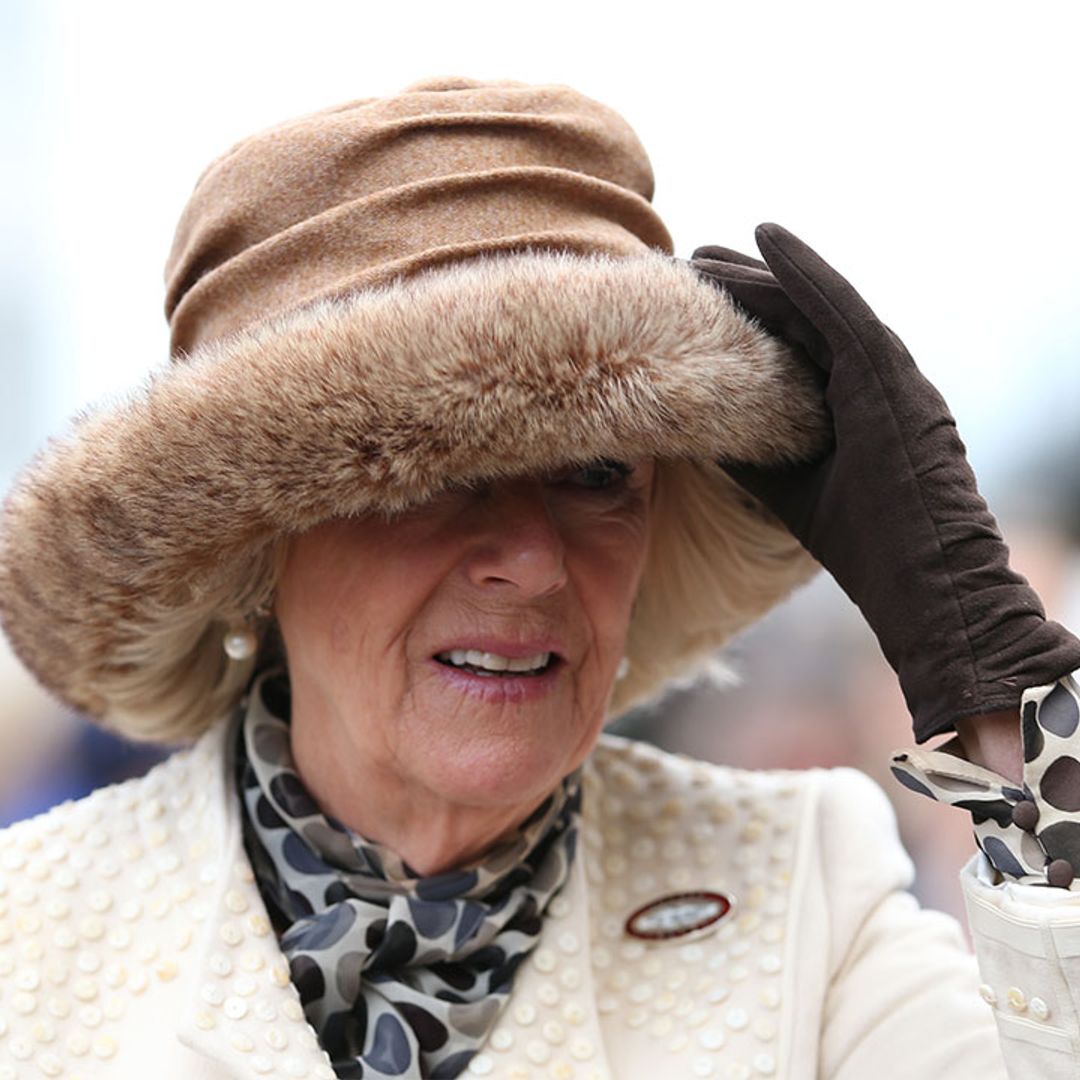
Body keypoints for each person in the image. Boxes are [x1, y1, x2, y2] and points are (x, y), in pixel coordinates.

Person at [0, 75, 1077, 1080]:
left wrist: (993, 686)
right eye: (425, 473)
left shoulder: (804, 889)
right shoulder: (27, 934)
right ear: (252, 548)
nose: (534, 559)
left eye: (598, 472)